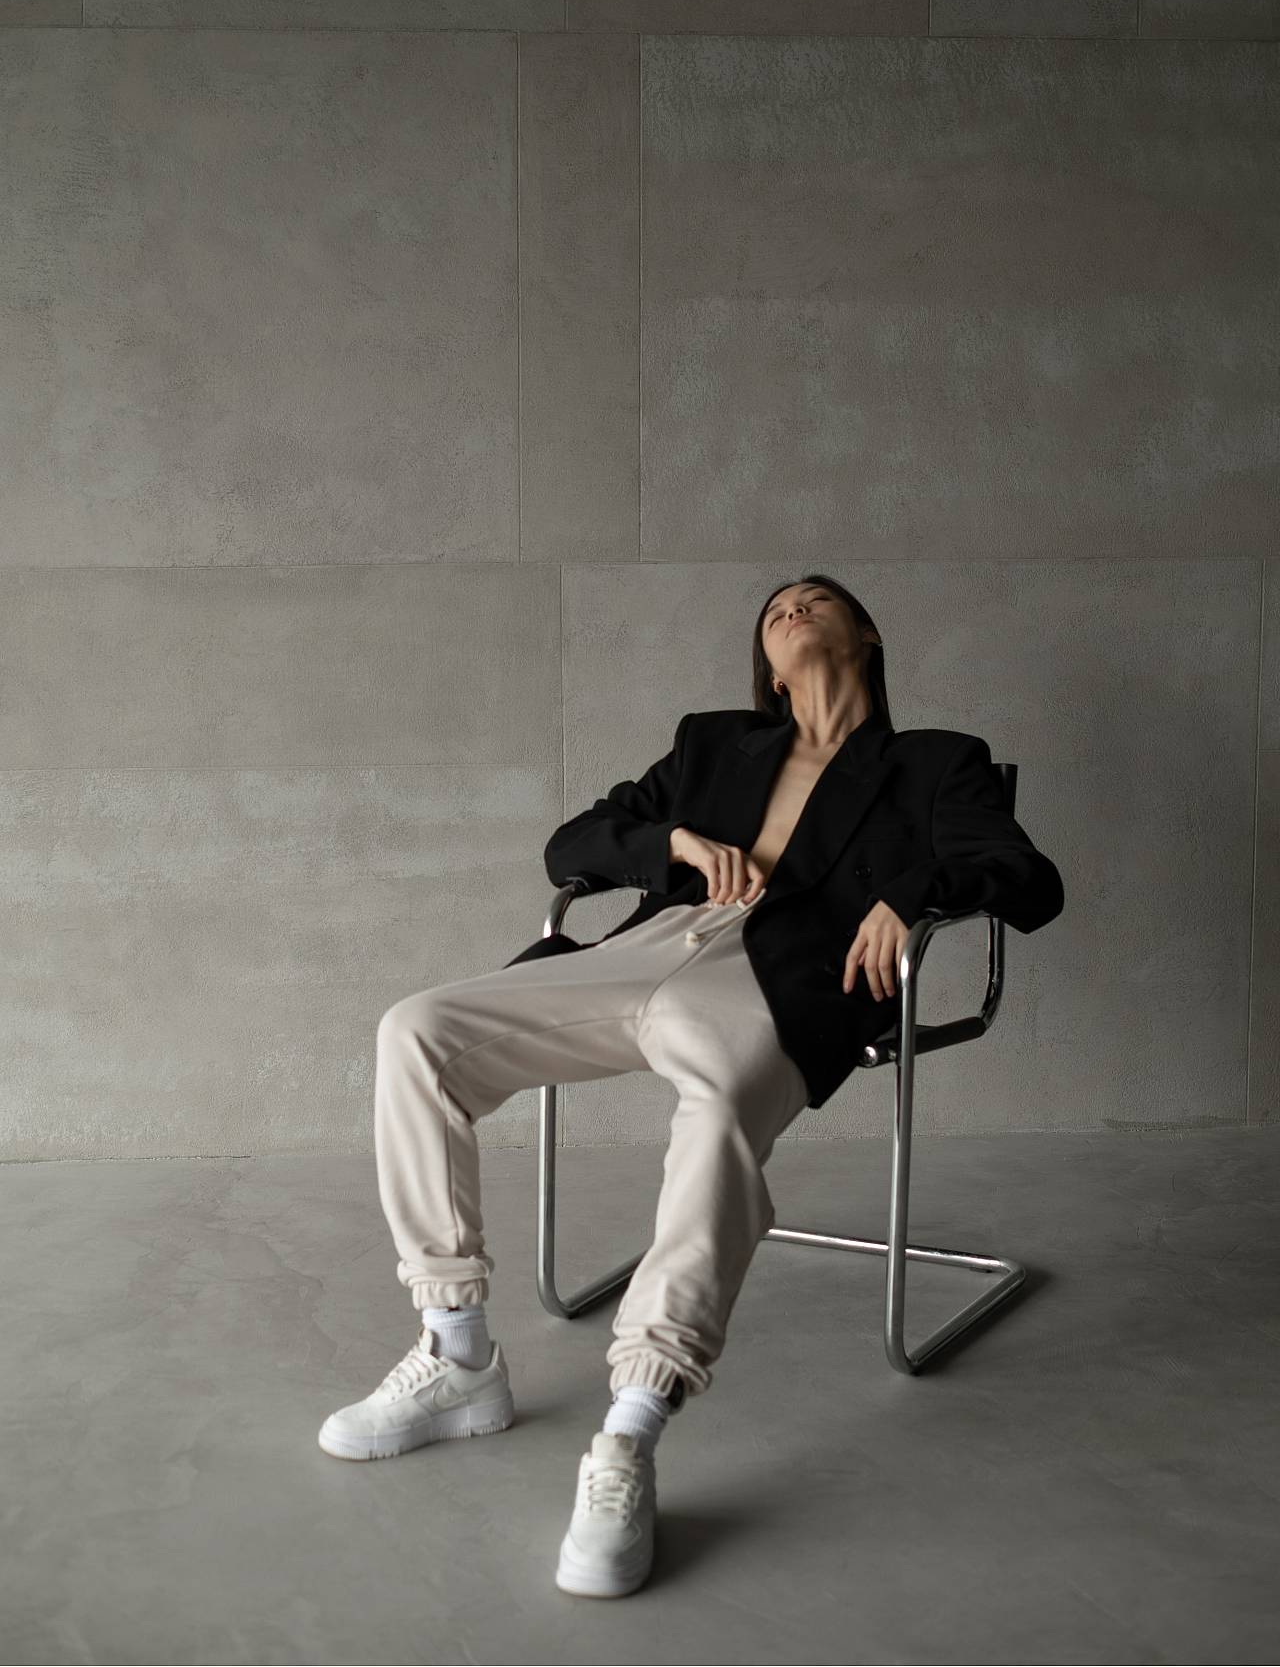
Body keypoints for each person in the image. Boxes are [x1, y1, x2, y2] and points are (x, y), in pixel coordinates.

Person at [317, 574, 1065, 1598]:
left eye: (815, 599)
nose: (791, 609)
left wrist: (912, 893)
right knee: (418, 1030)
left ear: (866, 633)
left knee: (714, 1120)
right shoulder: (714, 745)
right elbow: (571, 843)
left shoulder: (936, 763)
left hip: (783, 981)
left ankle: (630, 1430)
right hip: (651, 947)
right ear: (768, 669)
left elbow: (1027, 878)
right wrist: (668, 840)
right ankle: (457, 1354)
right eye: (775, 609)